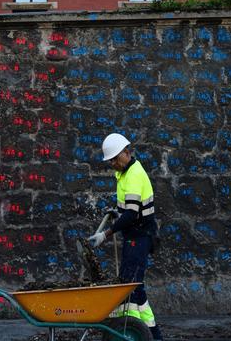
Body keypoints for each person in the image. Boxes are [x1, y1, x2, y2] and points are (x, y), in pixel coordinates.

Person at [88, 133, 163, 341]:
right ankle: (145, 334)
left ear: (126, 153)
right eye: (110, 160)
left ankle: (143, 334)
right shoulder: (124, 173)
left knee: (131, 286)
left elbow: (131, 214)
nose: (112, 163)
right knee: (132, 286)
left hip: (140, 237)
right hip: (135, 235)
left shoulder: (134, 175)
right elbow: (127, 208)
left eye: (114, 158)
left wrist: (106, 233)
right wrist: (115, 212)